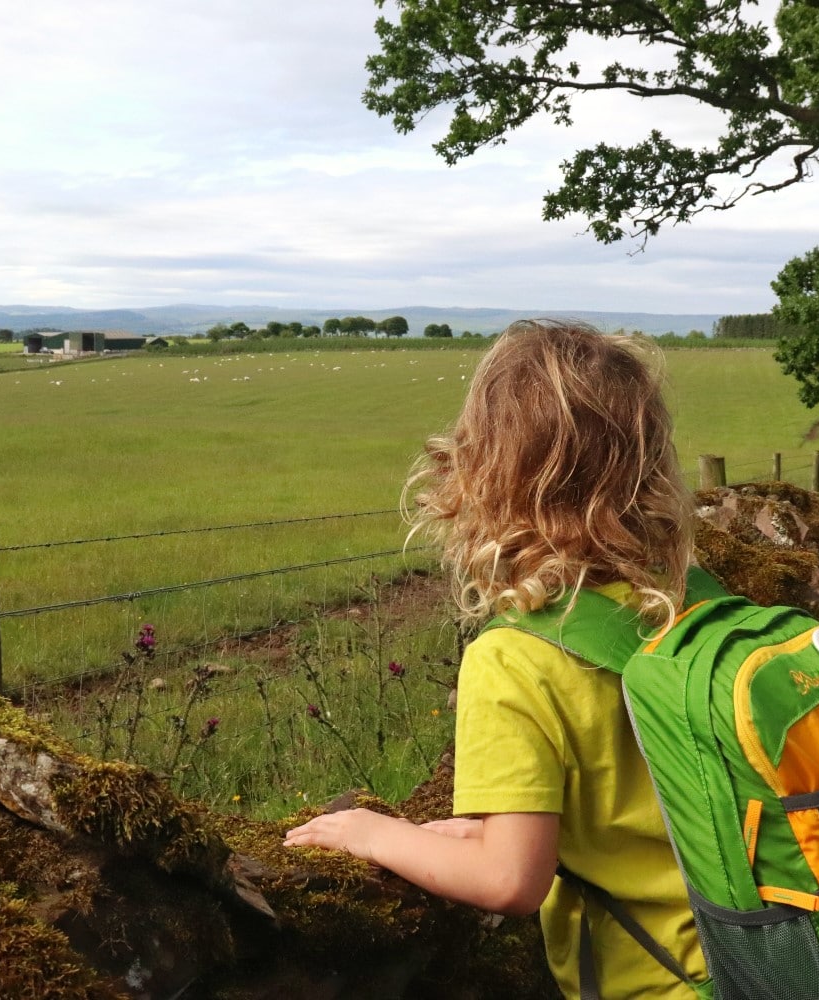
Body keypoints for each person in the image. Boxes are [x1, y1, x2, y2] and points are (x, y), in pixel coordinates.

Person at [283, 319, 706, 998]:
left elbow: (509, 881)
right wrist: (488, 827)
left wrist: (374, 833)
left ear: (483, 470)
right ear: (650, 464)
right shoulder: (691, 606)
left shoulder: (516, 659)